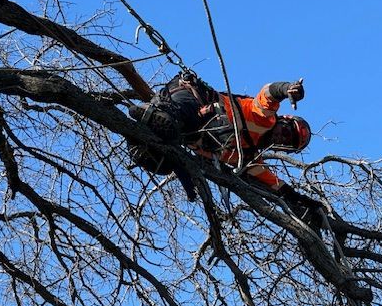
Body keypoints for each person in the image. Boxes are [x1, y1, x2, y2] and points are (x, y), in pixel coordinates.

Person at [128, 71, 323, 217]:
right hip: (190, 97)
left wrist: (303, 203)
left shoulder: (249, 158)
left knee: (162, 163)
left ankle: (139, 141)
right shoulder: (263, 116)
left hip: (183, 134)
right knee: (178, 119)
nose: (283, 138)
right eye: (287, 132)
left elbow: (276, 186)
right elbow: (268, 94)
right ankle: (154, 115)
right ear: (284, 120)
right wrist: (287, 88)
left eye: (288, 143)